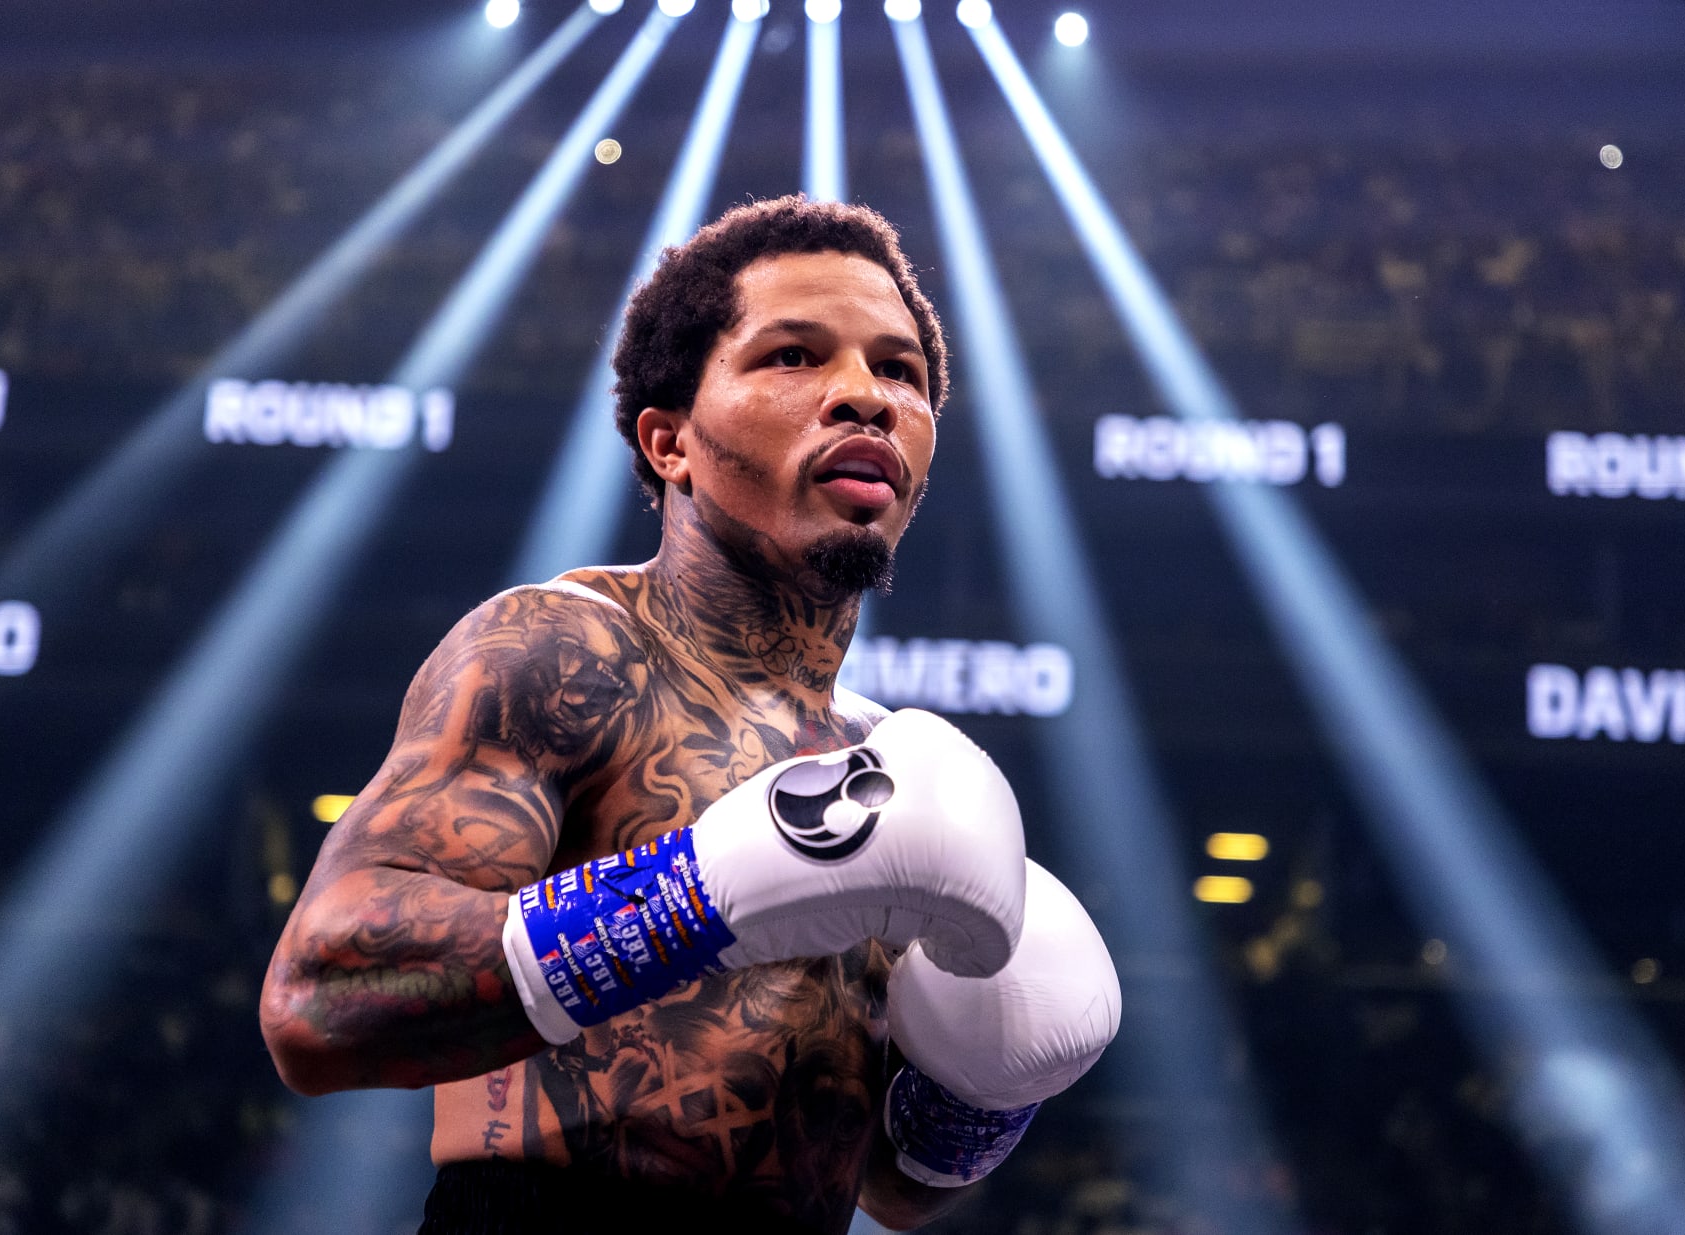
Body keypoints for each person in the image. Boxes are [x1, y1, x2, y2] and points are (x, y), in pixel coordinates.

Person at [260, 196, 1118, 1234]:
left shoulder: (880, 766)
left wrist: (985, 1087)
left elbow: (892, 1187)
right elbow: (321, 1002)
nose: (866, 396)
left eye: (901, 371)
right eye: (794, 355)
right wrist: (698, 894)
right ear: (670, 441)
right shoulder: (565, 649)